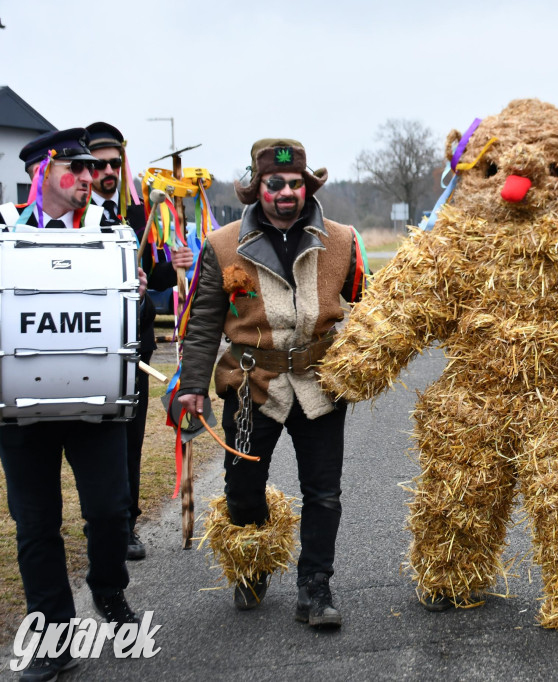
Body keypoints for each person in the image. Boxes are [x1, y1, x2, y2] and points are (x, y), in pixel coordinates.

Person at [177, 139, 364, 629]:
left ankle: (315, 587)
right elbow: (204, 322)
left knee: (323, 492)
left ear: (307, 187)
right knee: (242, 490)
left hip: (320, 383)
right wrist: (191, 385)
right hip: (251, 384)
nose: (286, 192)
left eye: (295, 183)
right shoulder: (222, 245)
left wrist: (367, 358)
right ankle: (253, 563)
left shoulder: (343, 239)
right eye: (274, 183)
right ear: (257, 187)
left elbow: (370, 309)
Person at [0, 128, 146, 681]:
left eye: (91, 168)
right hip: (21, 408)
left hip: (94, 402)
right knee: (35, 524)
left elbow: (131, 313)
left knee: (110, 512)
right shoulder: (4, 229)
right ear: (40, 174)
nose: (89, 177)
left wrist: (133, 292)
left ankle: (108, 589)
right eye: (75, 168)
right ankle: (53, 637)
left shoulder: (108, 230)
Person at [85, 121, 193, 561]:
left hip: (135, 350)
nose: (109, 171)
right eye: (99, 164)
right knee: (91, 444)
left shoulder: (139, 214)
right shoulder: (74, 216)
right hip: (89, 345)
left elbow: (154, 275)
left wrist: (176, 264)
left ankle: (126, 526)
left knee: (130, 442)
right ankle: (97, 523)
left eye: (115, 163)